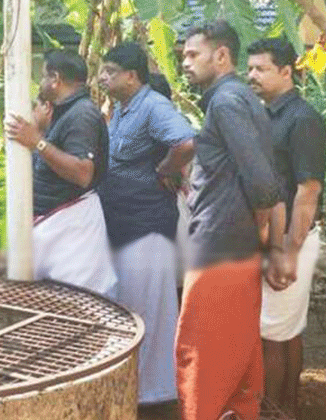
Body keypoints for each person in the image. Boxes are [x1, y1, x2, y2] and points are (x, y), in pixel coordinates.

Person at [177, 21, 282, 420]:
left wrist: (259, 224)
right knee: (236, 353)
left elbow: (262, 181)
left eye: (192, 54)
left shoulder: (226, 102)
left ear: (221, 56)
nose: (185, 62)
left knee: (202, 356)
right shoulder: (237, 98)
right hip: (232, 242)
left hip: (221, 244)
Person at [97, 42, 195, 405]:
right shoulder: (123, 110)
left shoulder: (153, 106)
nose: (103, 77)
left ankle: (157, 393)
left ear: (131, 76)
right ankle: (138, 389)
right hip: (124, 222)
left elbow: (185, 142)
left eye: (109, 71)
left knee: (148, 309)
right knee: (131, 305)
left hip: (147, 224)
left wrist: (164, 169)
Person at [247, 37, 326, 418]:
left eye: (260, 69)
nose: (252, 76)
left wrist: (286, 253)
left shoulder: (303, 119)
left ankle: (273, 411)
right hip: (273, 237)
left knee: (271, 334)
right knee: (286, 330)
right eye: (249, 69)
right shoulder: (266, 113)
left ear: (285, 71)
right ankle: (287, 410)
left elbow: (308, 190)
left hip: (287, 239)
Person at [5, 49, 117, 296]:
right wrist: (42, 131)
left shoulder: (82, 114)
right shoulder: (65, 112)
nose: (41, 83)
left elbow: (82, 173)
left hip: (72, 236)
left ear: (55, 79)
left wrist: (37, 141)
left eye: (44, 76)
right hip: (58, 233)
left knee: (79, 310)